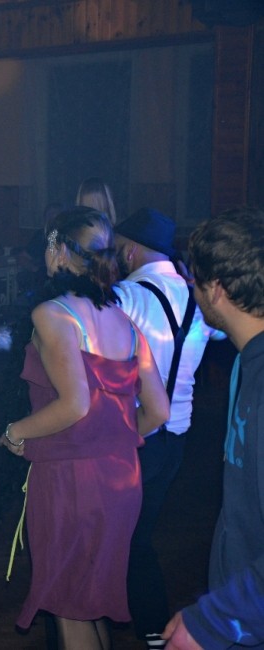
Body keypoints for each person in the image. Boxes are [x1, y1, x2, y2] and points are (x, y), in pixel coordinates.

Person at [0, 207, 168, 648]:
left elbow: (75, 404)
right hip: (122, 478)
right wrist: (113, 438)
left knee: (68, 606)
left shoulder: (52, 314)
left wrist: (16, 431)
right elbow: (158, 411)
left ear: (58, 251)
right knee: (89, 602)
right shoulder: (123, 319)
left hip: (71, 479)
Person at [111, 208, 227, 649]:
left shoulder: (125, 296)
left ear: (130, 250)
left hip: (134, 436)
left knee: (128, 540)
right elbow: (220, 335)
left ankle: (148, 629)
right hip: (176, 439)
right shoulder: (198, 298)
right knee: (136, 535)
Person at [161, 207, 264, 649]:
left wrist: (214, 621)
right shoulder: (247, 362)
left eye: (195, 281)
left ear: (216, 289)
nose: (192, 290)